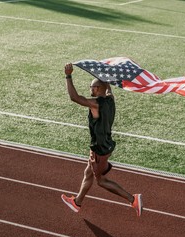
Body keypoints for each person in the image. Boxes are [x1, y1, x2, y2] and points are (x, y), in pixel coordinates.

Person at [61, 63, 143, 217]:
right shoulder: (111, 99)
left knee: (100, 181)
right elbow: (108, 87)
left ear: (98, 89)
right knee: (88, 172)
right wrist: (105, 76)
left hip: (100, 149)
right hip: (104, 145)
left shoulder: (95, 104)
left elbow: (74, 97)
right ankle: (77, 202)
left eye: (92, 87)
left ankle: (133, 199)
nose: (90, 90)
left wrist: (68, 75)